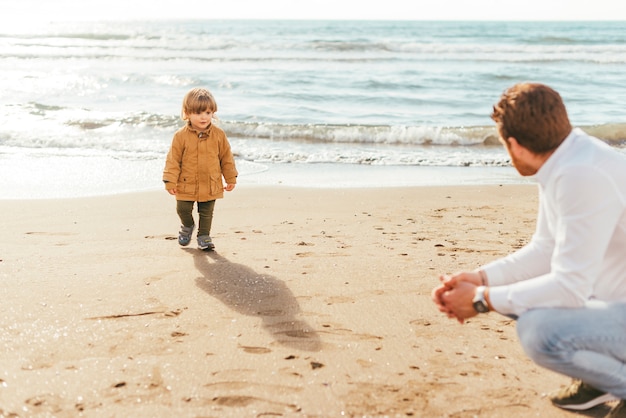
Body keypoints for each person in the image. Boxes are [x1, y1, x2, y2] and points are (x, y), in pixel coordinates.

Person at [431, 83, 626, 417]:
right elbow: (544, 250)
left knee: (539, 332)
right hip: (613, 301)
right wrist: (480, 278)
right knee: (524, 302)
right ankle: (599, 379)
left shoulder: (580, 174)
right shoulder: (566, 158)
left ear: (514, 145)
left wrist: (480, 299)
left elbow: (569, 287)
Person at [163, 87, 238, 251]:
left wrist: (230, 178)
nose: (204, 117)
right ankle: (188, 225)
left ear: (213, 113)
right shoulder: (180, 136)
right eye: (198, 113)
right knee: (182, 208)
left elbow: (226, 157)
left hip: (211, 183)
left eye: (208, 112)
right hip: (185, 183)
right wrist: (170, 180)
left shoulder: (219, 135)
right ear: (187, 113)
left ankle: (204, 236)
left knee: (206, 212)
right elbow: (173, 159)